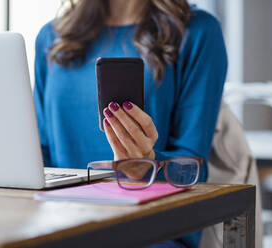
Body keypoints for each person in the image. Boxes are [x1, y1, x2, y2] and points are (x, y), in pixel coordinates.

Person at [34, 0, 227, 247]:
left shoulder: (198, 32)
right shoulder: (51, 37)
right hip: (62, 225)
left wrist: (147, 166)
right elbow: (40, 152)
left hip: (151, 231)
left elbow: (192, 170)